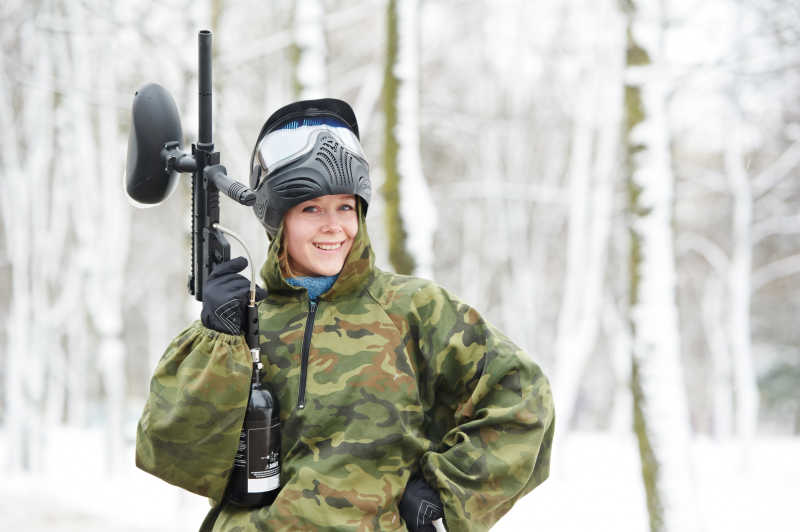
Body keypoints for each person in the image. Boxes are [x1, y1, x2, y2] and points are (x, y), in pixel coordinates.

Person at [136, 98, 554, 532]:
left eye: (345, 207)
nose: (333, 226)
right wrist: (216, 341)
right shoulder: (240, 324)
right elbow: (171, 455)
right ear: (278, 220)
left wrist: (444, 495)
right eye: (311, 209)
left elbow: (524, 400)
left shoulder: (415, 311)